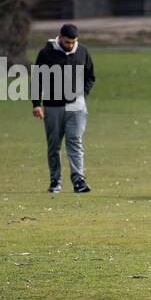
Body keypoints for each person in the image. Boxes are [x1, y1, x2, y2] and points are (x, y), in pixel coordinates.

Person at [31, 23, 95, 194]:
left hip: (77, 106)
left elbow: (90, 75)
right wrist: (36, 104)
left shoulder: (82, 51)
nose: (70, 45)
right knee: (54, 145)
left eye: (73, 42)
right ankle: (55, 181)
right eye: (67, 42)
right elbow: (37, 79)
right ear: (60, 38)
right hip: (53, 106)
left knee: (75, 141)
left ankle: (78, 181)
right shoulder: (46, 53)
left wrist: (83, 94)